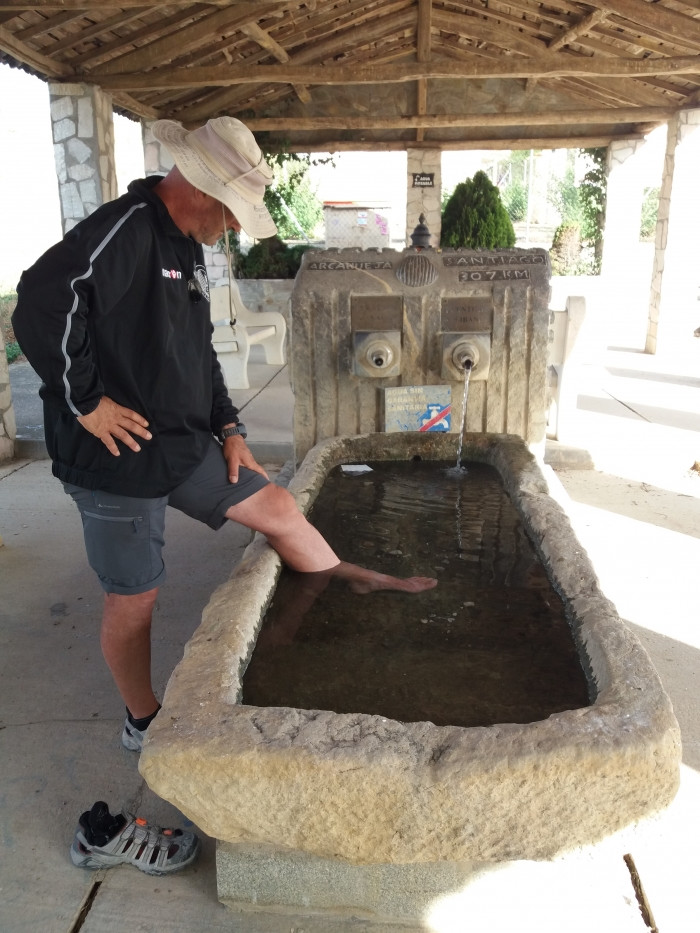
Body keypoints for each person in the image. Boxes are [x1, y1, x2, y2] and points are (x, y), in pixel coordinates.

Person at [12, 116, 437, 872]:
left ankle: (339, 588)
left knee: (275, 504)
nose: (234, 226)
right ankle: (144, 718)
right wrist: (85, 403)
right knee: (134, 595)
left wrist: (230, 424)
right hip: (113, 452)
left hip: (180, 440)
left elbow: (197, 348)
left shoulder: (187, 248)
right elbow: (43, 304)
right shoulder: (124, 230)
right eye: (232, 211)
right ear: (201, 188)